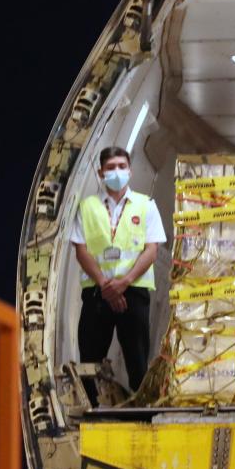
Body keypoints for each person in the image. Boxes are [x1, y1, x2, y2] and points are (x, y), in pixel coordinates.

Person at [70, 146, 166, 396]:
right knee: (89, 360)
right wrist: (105, 284)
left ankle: (140, 414)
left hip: (133, 293)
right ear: (101, 173)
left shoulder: (146, 205)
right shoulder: (87, 207)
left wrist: (124, 283)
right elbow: (82, 251)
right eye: (111, 168)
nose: (117, 172)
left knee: (137, 361)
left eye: (122, 167)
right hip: (96, 293)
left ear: (130, 171)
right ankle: (89, 409)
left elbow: (151, 251)